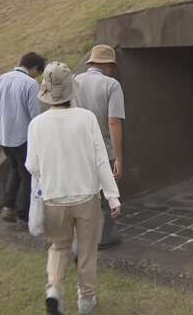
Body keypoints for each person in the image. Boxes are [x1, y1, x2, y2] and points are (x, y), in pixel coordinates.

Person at [25, 61, 121, 315]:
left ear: (47, 93)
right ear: (72, 90)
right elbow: (101, 160)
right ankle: (86, 300)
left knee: (58, 247)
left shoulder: (37, 124)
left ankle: (54, 289)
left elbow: (32, 166)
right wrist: (113, 197)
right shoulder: (86, 119)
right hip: (86, 197)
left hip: (54, 198)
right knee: (87, 251)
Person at [74, 44, 125, 249]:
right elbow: (114, 122)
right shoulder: (111, 84)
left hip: (78, 147)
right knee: (107, 194)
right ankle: (104, 238)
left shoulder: (75, 81)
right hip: (103, 149)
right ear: (108, 65)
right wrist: (119, 158)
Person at [0, 52, 45, 223]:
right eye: (39, 71)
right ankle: (23, 212)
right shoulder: (30, 84)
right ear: (35, 68)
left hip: (4, 137)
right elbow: (35, 115)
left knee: (14, 169)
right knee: (27, 174)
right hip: (23, 137)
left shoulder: (1, 79)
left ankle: (7, 206)